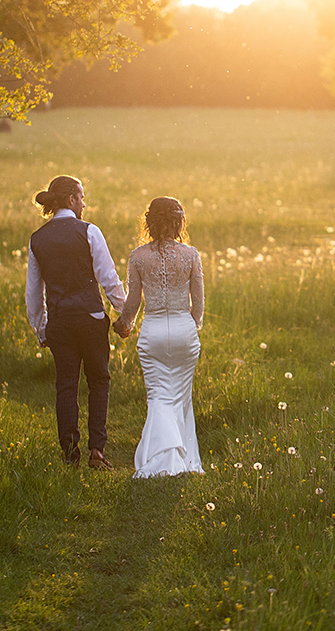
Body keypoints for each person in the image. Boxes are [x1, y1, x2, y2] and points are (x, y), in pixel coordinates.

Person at [26, 174, 127, 470]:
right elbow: (108, 278)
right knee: (99, 381)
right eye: (82, 197)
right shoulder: (89, 231)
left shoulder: (37, 239)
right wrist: (125, 313)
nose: (84, 203)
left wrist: (40, 327)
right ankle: (97, 450)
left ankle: (70, 454)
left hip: (60, 323)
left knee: (66, 386)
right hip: (91, 319)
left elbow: (34, 292)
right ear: (72, 199)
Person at [113, 196, 204, 477]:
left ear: (149, 223)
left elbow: (133, 302)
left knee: (159, 397)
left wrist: (124, 323)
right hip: (183, 330)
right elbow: (198, 303)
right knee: (180, 396)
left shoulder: (138, 256)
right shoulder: (191, 255)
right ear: (179, 222)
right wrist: (193, 326)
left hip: (152, 331)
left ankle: (160, 461)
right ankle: (185, 461)